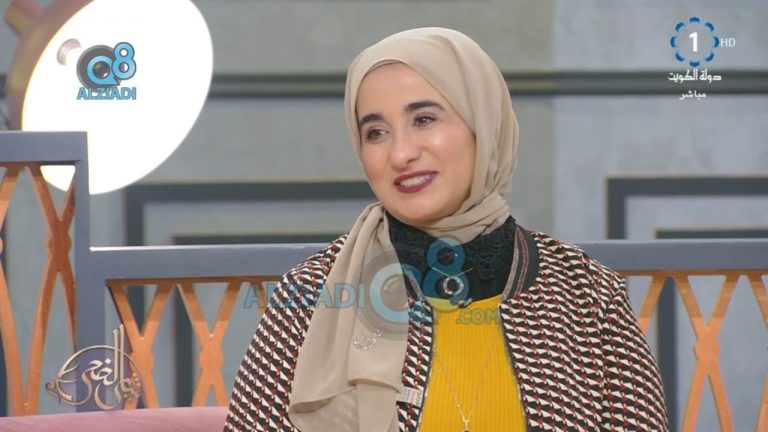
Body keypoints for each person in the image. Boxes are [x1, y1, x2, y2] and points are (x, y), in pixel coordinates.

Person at [224, 27, 669, 431]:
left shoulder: (585, 290)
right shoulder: (311, 293)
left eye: (423, 120)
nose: (400, 154)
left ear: (483, 126)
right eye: (376, 132)